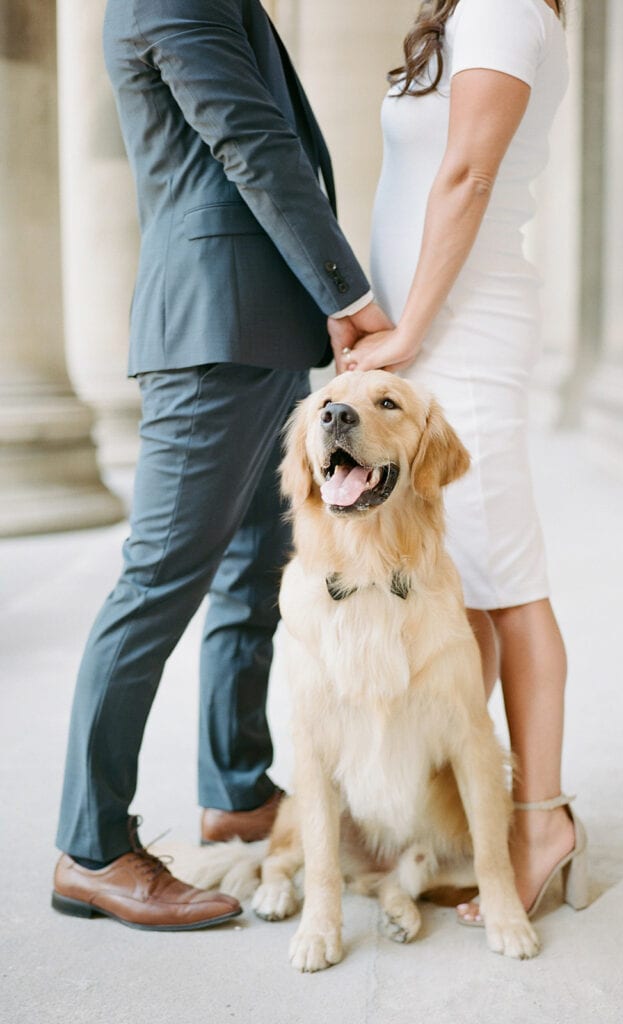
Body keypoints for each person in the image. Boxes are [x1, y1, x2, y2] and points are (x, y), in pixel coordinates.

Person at [52, 0, 391, 931]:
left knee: (251, 573)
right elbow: (248, 139)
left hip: (260, 326)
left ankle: (237, 788)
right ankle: (91, 847)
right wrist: (347, 293)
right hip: (214, 330)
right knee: (159, 577)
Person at [330, 0, 588, 923]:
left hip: (462, 331)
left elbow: (469, 173)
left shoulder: (507, 9)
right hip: (428, 327)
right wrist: (380, 317)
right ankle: (442, 809)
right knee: (464, 583)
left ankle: (537, 826)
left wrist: (413, 329)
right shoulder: (474, 10)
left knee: (505, 581)